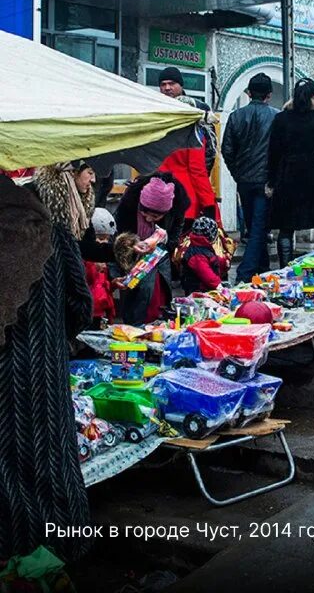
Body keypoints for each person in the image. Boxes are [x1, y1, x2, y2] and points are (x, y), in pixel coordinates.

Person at [0, 174, 92, 562]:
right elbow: (80, 305)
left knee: (8, 467)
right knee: (54, 461)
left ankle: (18, 558)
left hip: (4, 381)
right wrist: (55, 337)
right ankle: (69, 548)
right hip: (47, 373)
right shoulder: (54, 234)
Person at [267, 78, 314, 267]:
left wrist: (271, 181)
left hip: (286, 176)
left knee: (286, 227)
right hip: (313, 176)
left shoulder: (281, 119)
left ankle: (284, 268)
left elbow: (273, 152)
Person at [221, 72, 278, 281]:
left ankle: (262, 270)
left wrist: (237, 172)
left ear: (248, 92)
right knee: (258, 228)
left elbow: (226, 149)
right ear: (269, 95)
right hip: (266, 181)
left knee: (255, 227)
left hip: (244, 180)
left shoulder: (236, 116)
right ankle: (244, 275)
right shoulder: (276, 116)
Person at [114, 173, 189, 324]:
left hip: (160, 259)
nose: (148, 219)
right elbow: (117, 241)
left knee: (158, 300)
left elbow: (175, 235)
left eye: (155, 217)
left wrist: (165, 239)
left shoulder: (176, 207)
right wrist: (133, 245)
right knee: (137, 299)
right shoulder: (128, 206)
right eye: (144, 213)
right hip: (133, 259)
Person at [159, 94, 219, 230]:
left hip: (162, 196)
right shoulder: (193, 136)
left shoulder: (163, 132)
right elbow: (197, 171)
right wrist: (209, 204)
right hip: (186, 199)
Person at [158, 66, 216, 174]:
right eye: (163, 84)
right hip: (162, 175)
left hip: (190, 173)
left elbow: (210, 146)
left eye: (171, 83)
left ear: (181, 85)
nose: (167, 88)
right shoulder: (157, 110)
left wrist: (202, 172)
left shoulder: (198, 108)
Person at [84, 207, 117, 327]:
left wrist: (113, 284)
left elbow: (102, 287)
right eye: (101, 238)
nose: (104, 243)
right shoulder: (84, 260)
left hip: (101, 313)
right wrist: (92, 266)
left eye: (107, 239)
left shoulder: (102, 262)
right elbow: (88, 281)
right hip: (87, 314)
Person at [179, 216, 229, 295]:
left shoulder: (201, 247)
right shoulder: (197, 256)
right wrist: (219, 286)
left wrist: (222, 261)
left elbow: (211, 259)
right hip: (198, 291)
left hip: (203, 289)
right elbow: (207, 275)